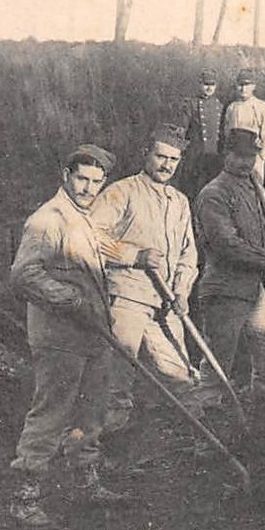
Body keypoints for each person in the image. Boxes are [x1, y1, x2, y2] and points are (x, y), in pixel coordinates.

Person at [7, 144, 128, 529]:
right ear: (66, 176)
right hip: (59, 334)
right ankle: (25, 496)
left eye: (96, 181)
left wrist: (133, 255)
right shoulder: (48, 219)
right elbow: (24, 275)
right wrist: (70, 297)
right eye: (82, 179)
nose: (89, 188)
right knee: (52, 411)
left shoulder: (86, 217)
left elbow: (101, 251)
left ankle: (85, 481)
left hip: (93, 332)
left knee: (91, 410)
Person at [92, 124, 204, 422]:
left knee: (180, 371)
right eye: (161, 156)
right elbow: (89, 238)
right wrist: (133, 255)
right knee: (118, 375)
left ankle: (198, 441)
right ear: (147, 154)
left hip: (165, 300)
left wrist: (181, 291)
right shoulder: (121, 192)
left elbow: (187, 254)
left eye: (174, 160)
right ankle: (100, 450)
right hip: (126, 297)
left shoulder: (179, 202)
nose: (166, 165)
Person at [193, 128, 265, 405]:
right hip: (226, 290)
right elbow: (228, 245)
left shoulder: (254, 187)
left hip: (258, 288)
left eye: (251, 156)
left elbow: (259, 233)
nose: (246, 162)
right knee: (218, 365)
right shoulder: (214, 193)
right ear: (226, 154)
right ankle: (208, 435)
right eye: (239, 156)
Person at [222, 69, 265, 182]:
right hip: (235, 158)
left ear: (253, 86)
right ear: (236, 86)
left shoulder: (262, 107)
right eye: (240, 85)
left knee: (254, 189)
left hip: (254, 159)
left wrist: (261, 156)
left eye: (247, 85)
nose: (243, 89)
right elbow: (227, 134)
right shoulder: (232, 108)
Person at [180, 68, 226, 198]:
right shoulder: (191, 104)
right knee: (192, 190)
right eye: (206, 84)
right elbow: (182, 129)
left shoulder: (220, 106)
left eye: (212, 85)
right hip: (195, 155)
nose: (209, 88)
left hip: (213, 157)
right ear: (200, 84)